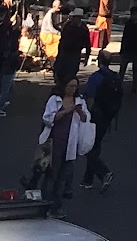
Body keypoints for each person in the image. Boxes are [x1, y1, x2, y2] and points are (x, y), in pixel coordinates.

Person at [32, 76, 94, 204]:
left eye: (75, 86)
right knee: (52, 174)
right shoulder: (55, 100)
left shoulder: (79, 101)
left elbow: (85, 119)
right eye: (70, 86)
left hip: (70, 143)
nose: (72, 89)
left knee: (62, 176)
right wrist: (66, 111)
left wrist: (81, 113)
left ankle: (57, 204)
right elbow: (48, 119)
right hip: (54, 142)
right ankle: (45, 202)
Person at [83, 54, 122, 191]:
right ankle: (87, 179)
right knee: (96, 144)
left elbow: (89, 96)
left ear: (99, 61)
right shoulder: (115, 77)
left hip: (96, 114)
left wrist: (87, 114)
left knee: (87, 146)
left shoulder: (96, 77)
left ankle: (103, 172)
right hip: (108, 115)